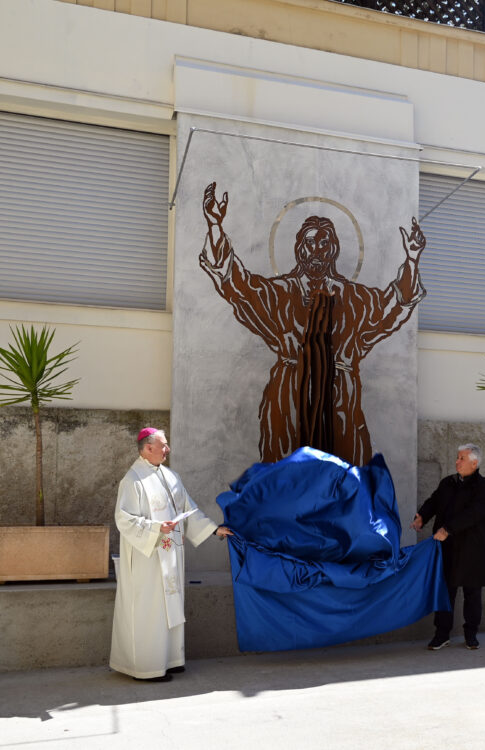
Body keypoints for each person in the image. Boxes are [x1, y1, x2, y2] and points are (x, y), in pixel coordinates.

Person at [199, 181, 426, 466]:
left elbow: (391, 307)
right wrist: (215, 227)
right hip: (290, 395)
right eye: (309, 243)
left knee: (343, 473)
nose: (316, 250)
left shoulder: (353, 297)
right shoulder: (279, 292)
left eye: (323, 243)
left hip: (339, 398)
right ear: (299, 249)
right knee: (287, 474)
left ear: (333, 250)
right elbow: (238, 286)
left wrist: (412, 259)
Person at [109, 428, 232, 681]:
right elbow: (124, 519)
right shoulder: (133, 480)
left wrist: (213, 529)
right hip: (148, 559)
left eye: (167, 445)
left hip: (170, 554)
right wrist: (157, 528)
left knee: (170, 606)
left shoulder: (170, 476)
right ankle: (147, 667)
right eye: (163, 445)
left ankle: (171, 660)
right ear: (147, 447)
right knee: (150, 610)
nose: (168, 449)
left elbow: (190, 509)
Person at [413, 443, 485, 650]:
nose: (457, 462)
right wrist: (423, 515)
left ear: (474, 463)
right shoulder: (448, 483)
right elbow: (434, 501)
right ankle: (442, 634)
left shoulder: (483, 487)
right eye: (457, 457)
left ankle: (471, 635)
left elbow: (473, 515)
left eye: (462, 458)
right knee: (445, 593)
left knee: (472, 594)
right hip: (447, 549)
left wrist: (447, 529)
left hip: (473, 550)